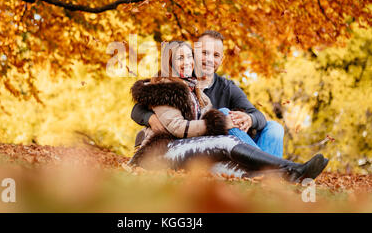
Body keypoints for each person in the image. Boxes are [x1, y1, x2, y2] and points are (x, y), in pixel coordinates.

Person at [128, 41, 328, 183]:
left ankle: (289, 178)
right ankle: (292, 167)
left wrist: (247, 119)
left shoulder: (198, 92)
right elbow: (177, 127)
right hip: (163, 151)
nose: (188, 61)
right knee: (225, 140)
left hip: (189, 148)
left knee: (229, 169)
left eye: (189, 56)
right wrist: (221, 123)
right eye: (181, 58)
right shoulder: (166, 88)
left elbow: (254, 114)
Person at [132, 30, 284, 158]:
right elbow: (139, 107)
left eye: (216, 55)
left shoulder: (228, 88)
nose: (209, 59)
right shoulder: (177, 77)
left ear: (222, 59)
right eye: (204, 53)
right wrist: (150, 118)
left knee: (275, 128)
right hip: (194, 147)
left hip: (227, 145)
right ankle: (274, 169)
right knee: (223, 113)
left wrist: (250, 119)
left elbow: (259, 116)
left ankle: (268, 171)